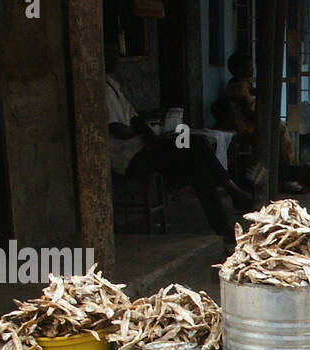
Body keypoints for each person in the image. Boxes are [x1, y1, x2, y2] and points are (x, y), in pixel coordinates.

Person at [106, 51, 252, 248]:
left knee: (197, 161)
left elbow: (133, 117)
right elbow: (116, 129)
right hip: (128, 156)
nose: (115, 58)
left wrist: (150, 131)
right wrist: (143, 133)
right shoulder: (101, 90)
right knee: (196, 146)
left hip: (142, 147)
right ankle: (232, 191)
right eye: (111, 52)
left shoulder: (112, 84)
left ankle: (224, 224)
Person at [221, 51, 256, 136]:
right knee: (280, 128)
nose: (252, 69)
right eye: (250, 66)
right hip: (244, 125)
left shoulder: (238, 84)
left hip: (244, 123)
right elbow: (248, 113)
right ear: (240, 69)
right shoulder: (240, 87)